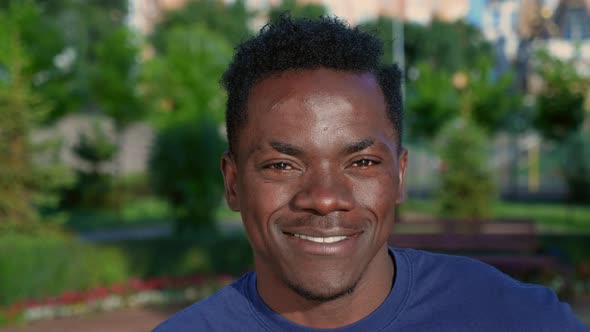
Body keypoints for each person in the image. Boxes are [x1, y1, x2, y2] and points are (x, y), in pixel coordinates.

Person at [153, 15, 587, 331]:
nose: (325, 198)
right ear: (232, 183)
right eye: (282, 165)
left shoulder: (516, 319)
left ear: (398, 175)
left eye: (361, 162)